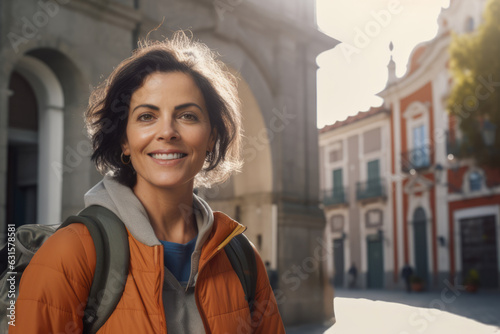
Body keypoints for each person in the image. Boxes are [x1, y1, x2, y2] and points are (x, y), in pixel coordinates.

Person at [12, 31, 285, 333]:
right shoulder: (70, 254)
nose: (167, 131)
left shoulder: (241, 257)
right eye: (146, 117)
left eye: (188, 116)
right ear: (124, 141)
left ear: (212, 137)